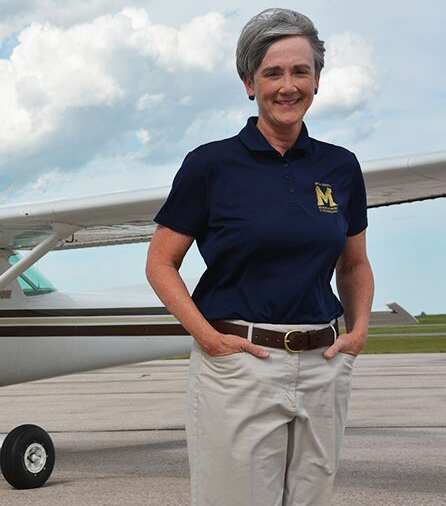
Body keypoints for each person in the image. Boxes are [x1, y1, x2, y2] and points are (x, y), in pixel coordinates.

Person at [145, 8, 374, 506]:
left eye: (300, 71)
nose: (287, 86)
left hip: (324, 361)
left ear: (316, 79)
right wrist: (208, 338)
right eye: (273, 73)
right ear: (249, 82)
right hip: (241, 364)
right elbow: (161, 263)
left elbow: (354, 263)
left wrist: (358, 332)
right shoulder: (210, 165)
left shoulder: (341, 166)